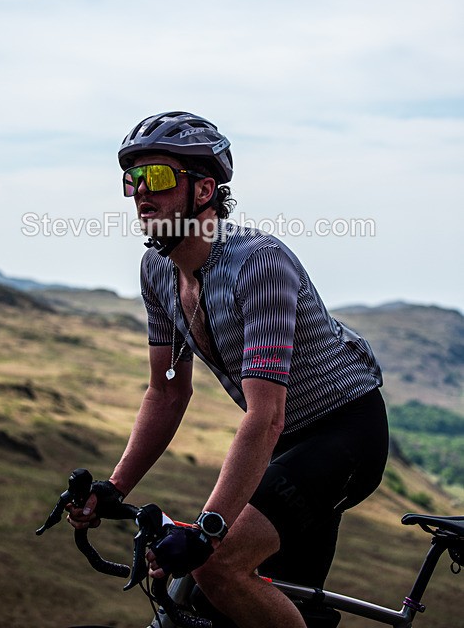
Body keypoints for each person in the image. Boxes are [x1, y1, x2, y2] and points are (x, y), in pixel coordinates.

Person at [67, 111, 389, 628]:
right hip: (285, 444)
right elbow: (168, 391)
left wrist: (207, 531)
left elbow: (265, 415)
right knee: (228, 596)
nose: (140, 193)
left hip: (344, 431)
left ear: (205, 190)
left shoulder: (258, 263)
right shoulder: (159, 271)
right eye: (132, 180)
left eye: (159, 178)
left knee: (215, 567)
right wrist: (114, 487)